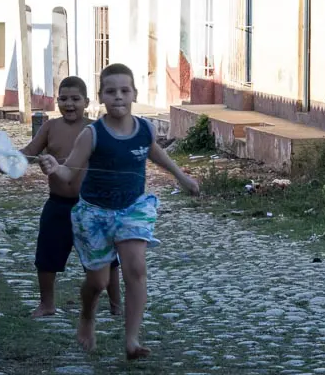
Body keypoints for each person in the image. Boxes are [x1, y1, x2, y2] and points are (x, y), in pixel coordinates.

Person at [39, 64, 199, 361]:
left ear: (134, 94)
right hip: (94, 213)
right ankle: (87, 316)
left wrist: (182, 177)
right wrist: (52, 167)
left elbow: (156, 153)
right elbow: (68, 172)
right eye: (111, 92)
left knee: (136, 267)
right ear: (100, 97)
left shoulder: (145, 129)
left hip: (132, 209)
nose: (118, 97)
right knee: (98, 282)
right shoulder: (92, 134)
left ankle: (132, 340)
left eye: (125, 91)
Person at [19, 76, 122, 318]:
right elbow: (30, 151)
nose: (69, 104)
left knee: (106, 258)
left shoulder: (97, 129)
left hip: (92, 207)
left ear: (86, 102)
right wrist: (9, 159)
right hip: (58, 204)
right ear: (57, 102)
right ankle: (47, 304)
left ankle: (117, 305)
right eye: (64, 99)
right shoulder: (50, 127)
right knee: (46, 256)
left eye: (75, 99)